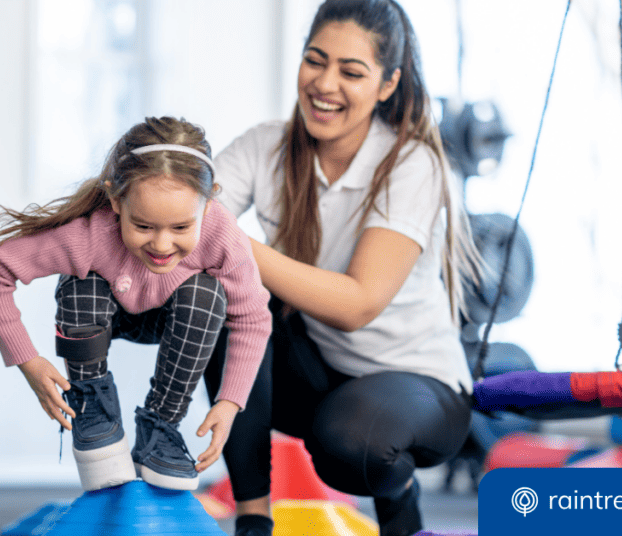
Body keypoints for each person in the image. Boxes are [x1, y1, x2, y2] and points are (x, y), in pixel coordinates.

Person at [201, 1, 480, 535]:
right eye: (315, 61)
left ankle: (399, 494)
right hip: (321, 374)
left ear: (387, 84)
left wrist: (231, 241)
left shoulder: (410, 163)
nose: (325, 84)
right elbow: (185, 217)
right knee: (217, 303)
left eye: (351, 72)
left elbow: (356, 304)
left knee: (350, 446)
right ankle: (253, 519)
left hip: (423, 388)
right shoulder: (265, 147)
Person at [0, 116, 272, 493]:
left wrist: (230, 403)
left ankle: (161, 426)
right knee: (82, 282)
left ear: (207, 205)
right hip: (102, 316)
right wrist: (28, 360)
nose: (161, 245)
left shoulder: (223, 235)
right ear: (116, 200)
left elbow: (253, 318)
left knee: (208, 293)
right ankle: (94, 411)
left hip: (179, 319)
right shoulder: (90, 234)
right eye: (143, 226)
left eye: (180, 228)